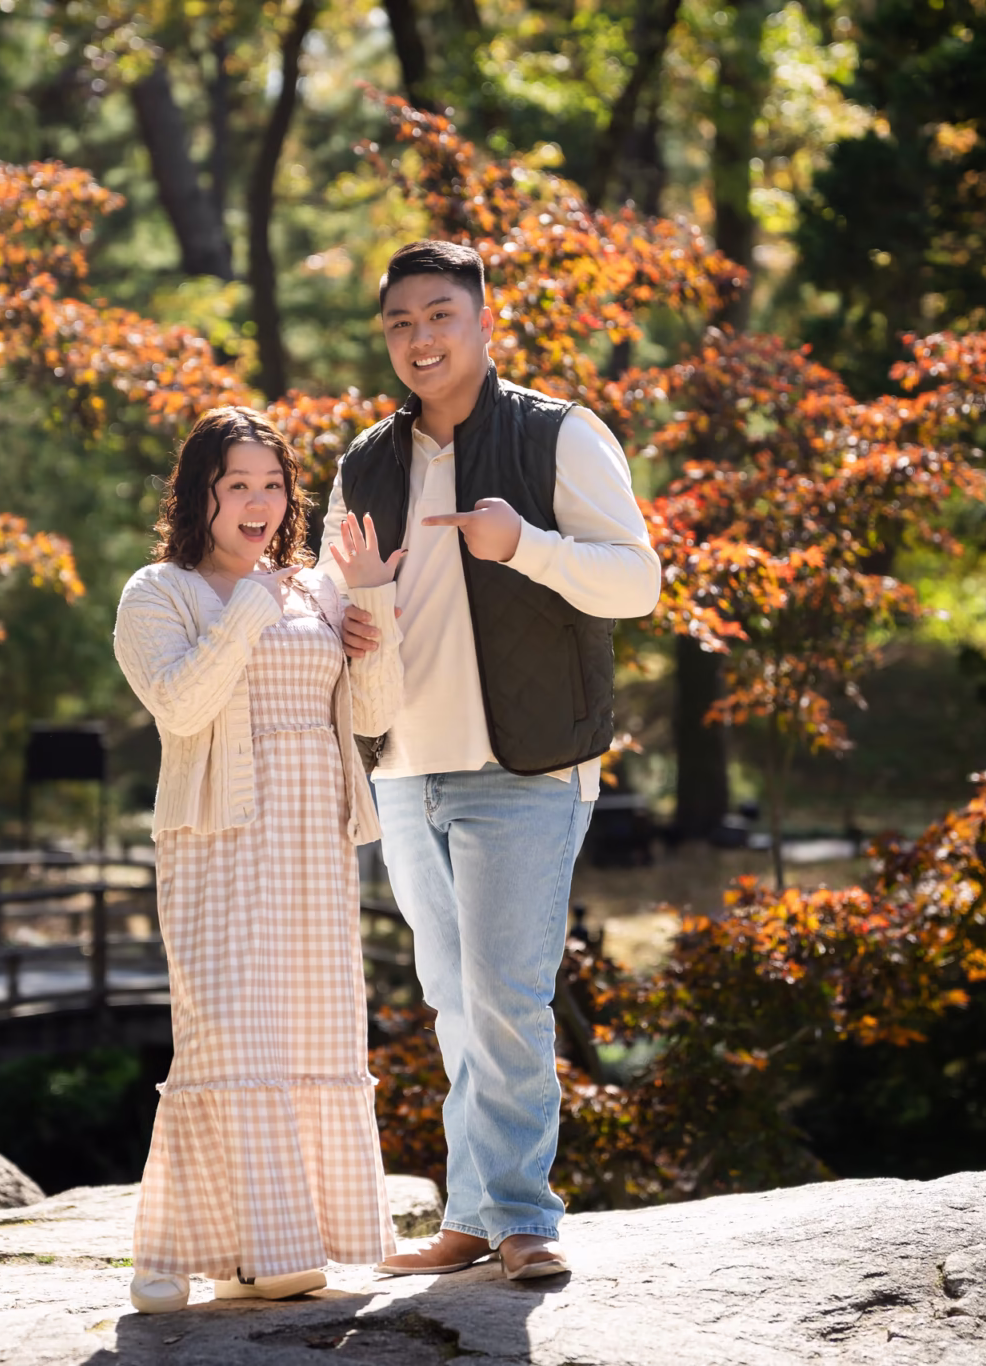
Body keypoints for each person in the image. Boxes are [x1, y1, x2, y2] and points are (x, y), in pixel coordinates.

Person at [323, 240, 661, 1280]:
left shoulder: (557, 435)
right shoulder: (364, 463)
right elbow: (331, 604)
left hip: (526, 766)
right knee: (450, 996)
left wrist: (526, 546)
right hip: (404, 768)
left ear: (481, 322)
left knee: (508, 994)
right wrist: (343, 620)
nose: (420, 339)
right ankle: (470, 1215)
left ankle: (522, 1219)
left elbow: (637, 584)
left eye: (439, 316)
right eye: (400, 324)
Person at [112, 406, 408, 1313]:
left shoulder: (313, 590)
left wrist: (370, 609)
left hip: (313, 839)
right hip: (216, 839)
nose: (258, 503)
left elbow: (369, 713)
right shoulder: (156, 592)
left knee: (309, 1028)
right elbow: (182, 706)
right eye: (235, 484)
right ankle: (177, 1250)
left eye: (272, 485)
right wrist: (247, 599)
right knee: (225, 1028)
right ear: (198, 493)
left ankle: (283, 1245)